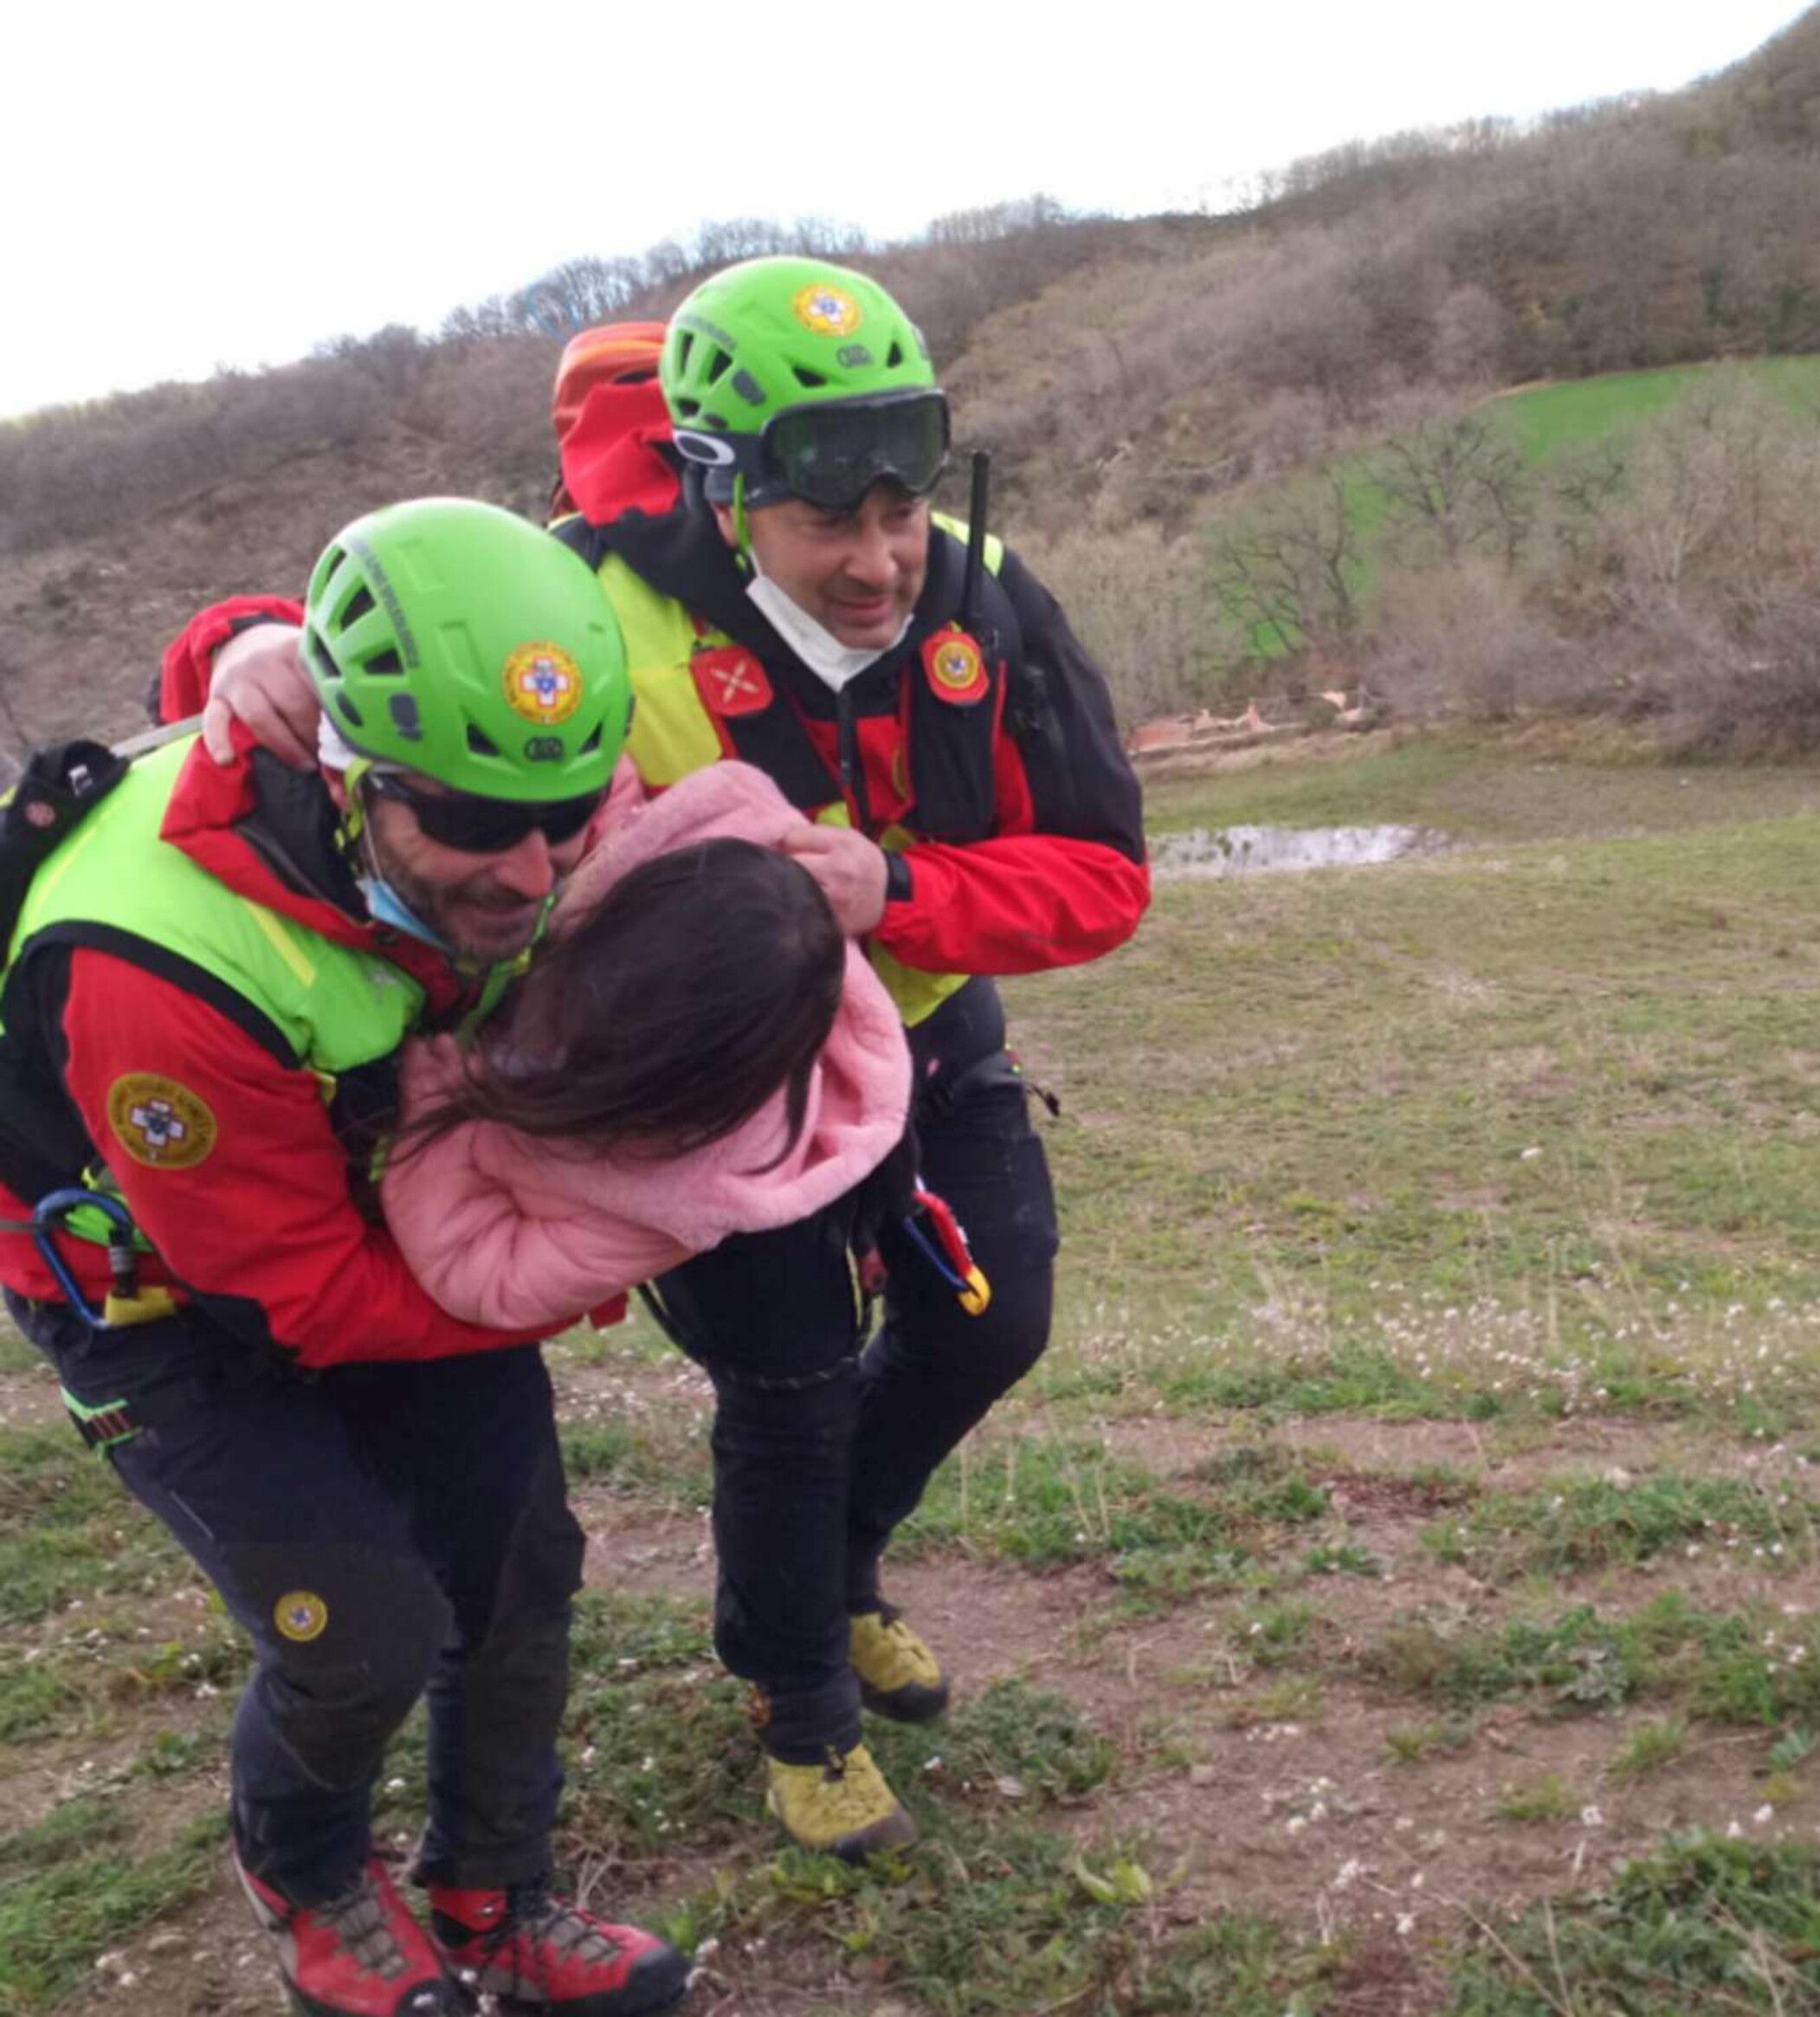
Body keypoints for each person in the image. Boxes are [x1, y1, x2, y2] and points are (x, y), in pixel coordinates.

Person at [177, 254, 1152, 1859]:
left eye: (902, 512)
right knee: (791, 1386)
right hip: (705, 1080)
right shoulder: (593, 596)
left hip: (920, 1026)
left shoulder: (982, 594)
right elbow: (392, 640)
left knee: (992, 1319)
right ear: (719, 484)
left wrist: (900, 892)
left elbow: (1106, 873)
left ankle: (834, 1573)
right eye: (830, 522)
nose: (878, 562)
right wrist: (241, 648)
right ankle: (796, 1692)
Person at [0, 500, 690, 2016]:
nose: (531, 870)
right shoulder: (153, 958)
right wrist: (561, 1275)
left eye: (566, 811)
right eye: (472, 823)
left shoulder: (516, 794)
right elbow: (294, 1296)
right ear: (345, 771)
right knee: (359, 1625)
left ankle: (493, 1890)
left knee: (518, 1562)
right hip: (158, 1290)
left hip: (382, 1212)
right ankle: (307, 1871)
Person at [381, 763, 913, 1333]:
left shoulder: (684, 1190)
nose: (565, 1022)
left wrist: (431, 1117)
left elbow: (489, 1277)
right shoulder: (660, 853)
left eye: (598, 1044)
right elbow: (593, 781)